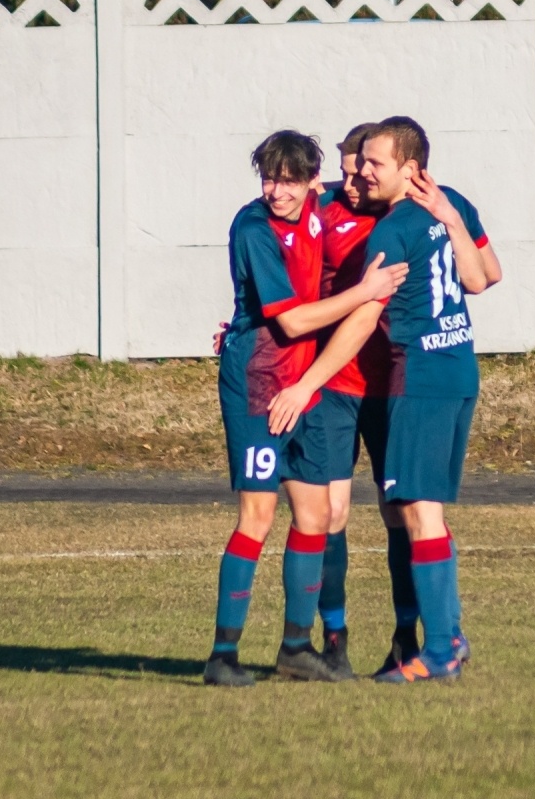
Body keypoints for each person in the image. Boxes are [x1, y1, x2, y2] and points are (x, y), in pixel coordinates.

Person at [269, 116, 488, 684]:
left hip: (414, 378)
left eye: (371, 165)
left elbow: (366, 318)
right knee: (415, 510)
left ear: (409, 170)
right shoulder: (448, 203)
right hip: (456, 370)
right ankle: (432, 639)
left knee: (417, 513)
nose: (359, 175)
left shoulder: (393, 231)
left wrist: (304, 382)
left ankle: (438, 647)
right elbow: (484, 279)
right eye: (355, 164)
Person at [204, 129, 410, 687]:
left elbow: (364, 186)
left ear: (312, 182)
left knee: (316, 517)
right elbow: (292, 322)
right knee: (259, 515)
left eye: (289, 181)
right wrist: (366, 291)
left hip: (306, 389)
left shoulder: (321, 205)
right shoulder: (254, 228)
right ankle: (223, 656)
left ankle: (297, 648)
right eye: (269, 180)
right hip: (258, 385)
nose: (277, 192)